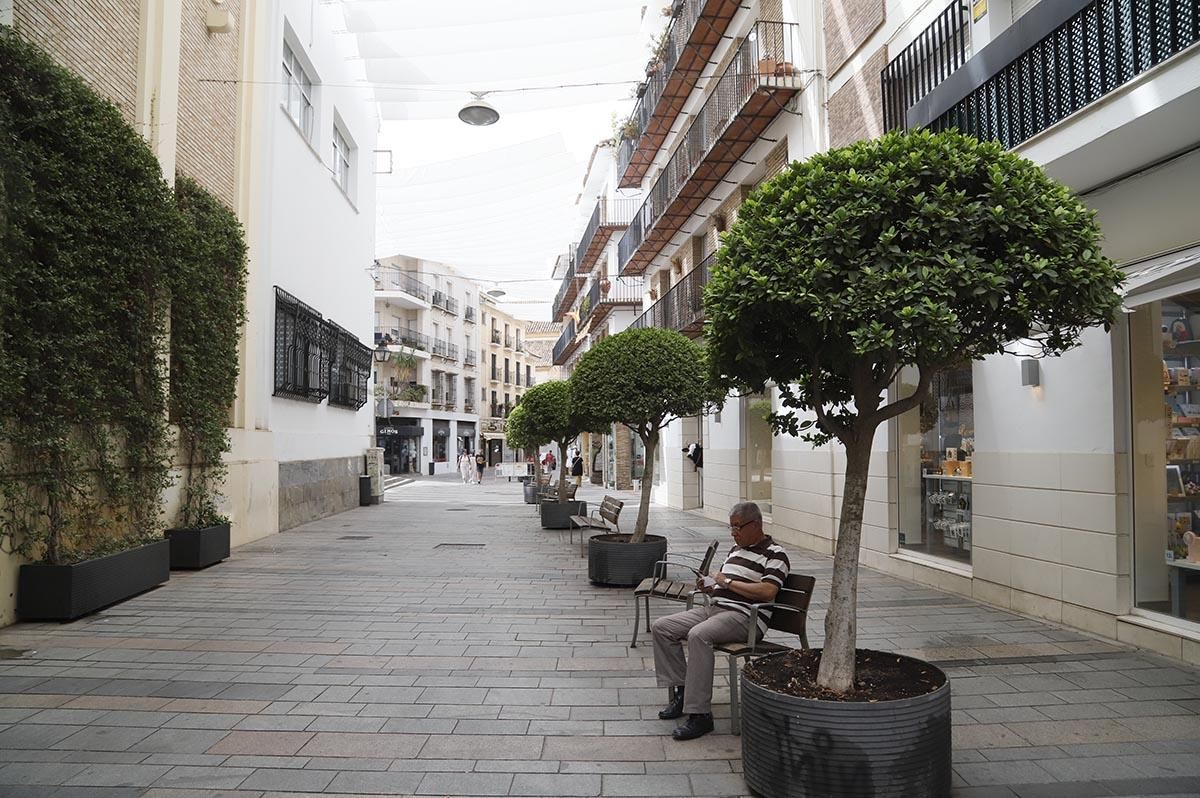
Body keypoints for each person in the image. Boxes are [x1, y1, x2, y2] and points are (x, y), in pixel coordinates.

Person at [650, 501, 790, 740]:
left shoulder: (775, 554)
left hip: (745, 617)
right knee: (662, 627)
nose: (733, 532)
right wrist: (710, 586)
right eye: (731, 527)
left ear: (756, 524)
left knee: (699, 635)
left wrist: (725, 582)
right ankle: (683, 693)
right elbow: (725, 585)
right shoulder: (735, 551)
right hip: (715, 608)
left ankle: (700, 715)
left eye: (738, 527)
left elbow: (768, 591)